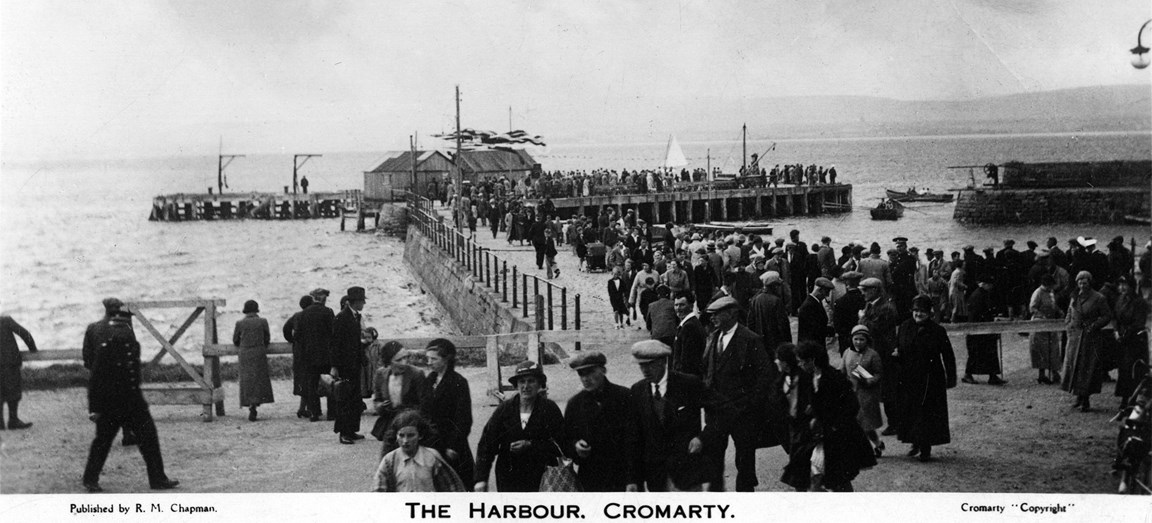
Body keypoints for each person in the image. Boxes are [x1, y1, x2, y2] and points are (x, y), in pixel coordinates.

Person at [82, 305, 179, 493]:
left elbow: (134, 377)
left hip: (133, 402)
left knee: (149, 438)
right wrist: (95, 408)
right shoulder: (106, 349)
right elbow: (95, 380)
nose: (123, 330)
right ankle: (90, 479)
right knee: (102, 442)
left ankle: (158, 478)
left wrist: (139, 402)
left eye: (124, 326)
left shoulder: (133, 346)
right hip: (111, 403)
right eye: (120, 326)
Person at [702, 296, 779, 492]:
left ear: (732, 313)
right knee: (714, 458)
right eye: (711, 315)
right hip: (717, 412)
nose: (712, 318)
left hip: (742, 414)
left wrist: (750, 404)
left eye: (717, 314)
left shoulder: (750, 339)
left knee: (744, 461)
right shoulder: (713, 337)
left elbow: (765, 375)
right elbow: (707, 370)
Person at [629, 340, 723, 491]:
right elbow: (635, 438)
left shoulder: (688, 383)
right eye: (641, 365)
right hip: (656, 476)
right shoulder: (637, 391)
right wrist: (633, 479)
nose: (645, 370)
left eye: (650, 364)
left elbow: (720, 410)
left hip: (686, 473)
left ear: (662, 362)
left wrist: (702, 438)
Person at [782, 341, 876, 491]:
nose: (799, 365)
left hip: (837, 436)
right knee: (821, 475)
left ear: (812, 360)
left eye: (802, 361)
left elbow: (851, 405)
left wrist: (832, 423)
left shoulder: (833, 378)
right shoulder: (811, 377)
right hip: (821, 436)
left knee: (836, 478)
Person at [473, 361, 564, 492]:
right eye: (521, 381)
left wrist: (531, 445)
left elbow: (561, 445)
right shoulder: (505, 409)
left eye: (531, 381)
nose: (526, 386)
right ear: (516, 385)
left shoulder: (549, 409)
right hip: (509, 477)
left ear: (540, 384)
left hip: (542, 477)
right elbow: (487, 444)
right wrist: (481, 478)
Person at [562, 351, 638, 492]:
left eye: (590, 372)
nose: (585, 378)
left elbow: (635, 441)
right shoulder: (575, 404)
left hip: (621, 478)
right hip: (591, 478)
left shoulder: (625, 397)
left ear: (603, 370)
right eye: (581, 374)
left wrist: (632, 479)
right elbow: (565, 440)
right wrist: (576, 447)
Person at [894, 295, 957, 462]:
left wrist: (951, 377)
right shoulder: (905, 327)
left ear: (929, 313)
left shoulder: (937, 330)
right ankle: (915, 441)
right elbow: (900, 348)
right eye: (915, 311)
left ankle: (925, 448)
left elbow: (948, 355)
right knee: (910, 411)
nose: (918, 314)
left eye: (922, 311)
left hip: (930, 378)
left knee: (927, 413)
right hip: (908, 376)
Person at [419, 339, 476, 490]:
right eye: (427, 358)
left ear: (446, 359)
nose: (429, 363)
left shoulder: (458, 382)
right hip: (430, 443)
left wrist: (454, 446)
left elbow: (464, 418)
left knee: (458, 485)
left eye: (434, 359)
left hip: (452, 445)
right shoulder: (429, 380)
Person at [373, 411, 467, 492]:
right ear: (396, 436)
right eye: (401, 435)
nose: (405, 441)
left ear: (420, 435)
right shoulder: (390, 460)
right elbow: (378, 490)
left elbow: (452, 487)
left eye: (411, 435)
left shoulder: (432, 457)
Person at [1062, 271, 1113, 412]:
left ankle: (1086, 400)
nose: (1082, 285)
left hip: (1090, 338)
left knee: (1087, 369)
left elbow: (1107, 316)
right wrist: (1068, 324)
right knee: (1075, 367)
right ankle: (1078, 397)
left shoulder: (1098, 298)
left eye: (1085, 283)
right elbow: (1069, 312)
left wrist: (1094, 326)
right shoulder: (1074, 296)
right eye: (1079, 283)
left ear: (1090, 283)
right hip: (1075, 337)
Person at [858, 277, 901, 435]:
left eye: (865, 291)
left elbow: (874, 328)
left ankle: (894, 423)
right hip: (873, 352)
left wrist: (862, 317)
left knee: (888, 391)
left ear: (875, 290)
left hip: (883, 354)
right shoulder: (873, 304)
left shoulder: (886, 307)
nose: (863, 294)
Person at [331, 287, 368, 443]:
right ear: (355, 302)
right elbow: (334, 344)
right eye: (362, 301)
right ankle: (344, 433)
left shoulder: (355, 317)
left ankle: (352, 429)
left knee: (354, 398)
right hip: (345, 365)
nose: (364, 303)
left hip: (354, 364)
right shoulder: (341, 318)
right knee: (345, 399)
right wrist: (334, 366)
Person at [373, 348, 425, 453]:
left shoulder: (416, 374)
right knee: (388, 457)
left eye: (406, 358)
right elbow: (377, 400)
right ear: (389, 362)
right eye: (399, 360)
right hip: (390, 424)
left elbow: (423, 402)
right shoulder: (380, 374)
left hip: (411, 424)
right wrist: (381, 406)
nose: (404, 363)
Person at [843, 325, 884, 457]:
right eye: (856, 339)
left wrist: (869, 380)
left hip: (867, 395)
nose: (858, 342)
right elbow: (842, 370)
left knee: (866, 425)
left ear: (867, 340)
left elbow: (879, 374)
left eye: (862, 339)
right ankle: (874, 445)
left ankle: (876, 444)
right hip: (851, 393)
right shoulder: (847, 353)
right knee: (853, 423)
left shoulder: (873, 355)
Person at [297, 288, 335, 422]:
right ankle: (331, 413)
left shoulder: (303, 314)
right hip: (326, 354)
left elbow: (298, 336)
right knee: (330, 382)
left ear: (313, 298)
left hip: (309, 355)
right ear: (324, 299)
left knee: (312, 384)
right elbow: (333, 334)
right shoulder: (328, 312)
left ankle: (314, 412)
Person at [233, 300, 273, 421]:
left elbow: (235, 340)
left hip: (245, 353)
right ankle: (256, 403)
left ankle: (250, 404)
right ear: (256, 310)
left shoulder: (240, 323)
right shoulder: (262, 321)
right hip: (259, 352)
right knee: (259, 379)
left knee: (247, 380)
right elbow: (267, 338)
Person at [1113, 276, 1149, 410]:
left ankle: (1134, 400)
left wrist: (1125, 334)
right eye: (1120, 285)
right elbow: (1115, 317)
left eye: (1125, 285)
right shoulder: (1120, 299)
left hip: (1135, 341)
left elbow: (1138, 323)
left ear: (1132, 287)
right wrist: (1116, 331)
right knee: (1123, 370)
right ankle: (1124, 399)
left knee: (1134, 370)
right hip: (1122, 340)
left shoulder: (1139, 302)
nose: (1121, 288)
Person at [962, 276, 1006, 385]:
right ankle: (968, 374)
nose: (991, 287)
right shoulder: (978, 295)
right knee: (976, 352)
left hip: (984, 328)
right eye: (990, 285)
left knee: (989, 352)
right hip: (978, 329)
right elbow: (980, 312)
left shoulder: (981, 294)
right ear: (985, 284)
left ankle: (993, 375)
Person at [0, 314, 37, 430]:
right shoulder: (4, 319)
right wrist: (33, 349)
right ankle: (13, 420)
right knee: (14, 391)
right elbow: (24, 333)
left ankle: (0, 423)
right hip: (9, 362)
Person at [282, 294, 314, 419]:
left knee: (302, 379)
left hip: (299, 351)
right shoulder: (311, 316)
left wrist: (292, 340)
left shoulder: (296, 316)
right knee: (311, 379)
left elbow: (286, 329)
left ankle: (302, 408)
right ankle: (308, 408)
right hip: (311, 351)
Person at [1028, 275, 1063, 385]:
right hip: (1040, 324)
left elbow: (1052, 305)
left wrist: (1059, 310)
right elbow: (1032, 307)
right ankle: (1042, 374)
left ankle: (1054, 372)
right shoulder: (1038, 292)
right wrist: (1041, 316)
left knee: (1053, 348)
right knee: (1041, 349)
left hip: (1050, 323)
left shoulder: (1050, 292)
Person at [747, 271, 792, 353]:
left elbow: (750, 322)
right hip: (775, 343)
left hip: (761, 342)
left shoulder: (756, 299)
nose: (779, 288)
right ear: (774, 286)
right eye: (778, 286)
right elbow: (783, 326)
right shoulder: (776, 301)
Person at [672, 292, 707, 378]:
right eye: (676, 305)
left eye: (682, 305)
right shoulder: (688, 324)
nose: (678, 308)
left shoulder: (689, 327)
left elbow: (687, 361)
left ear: (691, 306)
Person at [833, 271, 866, 354]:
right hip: (862, 337)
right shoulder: (864, 300)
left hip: (845, 339)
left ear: (846, 283)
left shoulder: (840, 302)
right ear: (858, 282)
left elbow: (837, 325)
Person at [797, 277, 835, 346]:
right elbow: (815, 329)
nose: (827, 295)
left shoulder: (815, 302)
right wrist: (831, 331)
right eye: (826, 292)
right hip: (810, 347)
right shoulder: (809, 306)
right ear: (819, 290)